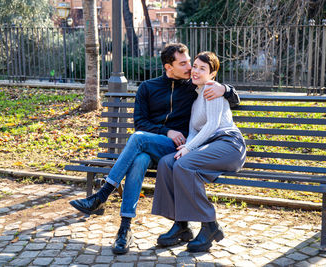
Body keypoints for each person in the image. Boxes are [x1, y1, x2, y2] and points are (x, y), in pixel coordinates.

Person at [69, 43, 240, 254]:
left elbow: (222, 95)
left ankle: (104, 193)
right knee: (139, 157)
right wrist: (166, 131)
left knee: (139, 140)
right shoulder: (148, 88)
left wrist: (226, 89)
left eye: (193, 64)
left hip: (179, 148)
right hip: (160, 144)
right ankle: (125, 229)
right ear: (169, 67)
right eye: (185, 63)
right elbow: (140, 123)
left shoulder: (193, 87)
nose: (190, 68)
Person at [151, 51, 246, 253]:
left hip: (229, 145)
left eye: (202, 68)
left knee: (185, 164)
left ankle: (210, 224)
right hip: (209, 146)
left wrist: (188, 149)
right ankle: (181, 224)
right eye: (194, 66)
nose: (195, 71)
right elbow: (194, 131)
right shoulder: (197, 97)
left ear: (212, 75)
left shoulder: (213, 90)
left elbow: (212, 126)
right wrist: (185, 148)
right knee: (168, 163)